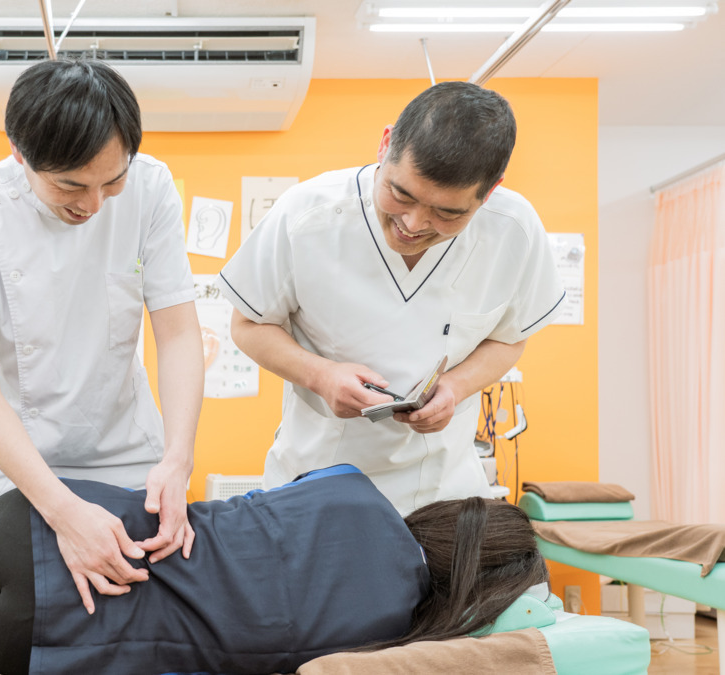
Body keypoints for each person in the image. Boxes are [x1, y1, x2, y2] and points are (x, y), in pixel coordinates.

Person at [0, 466, 547, 675]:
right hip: (46, 638)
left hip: (67, 520)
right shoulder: (383, 638)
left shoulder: (355, 490)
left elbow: (280, 497)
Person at [0, 58, 204, 613]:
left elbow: (177, 334)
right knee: (3, 614)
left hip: (123, 452)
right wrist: (62, 510)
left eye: (112, 181)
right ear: (19, 153)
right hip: (10, 467)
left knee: (133, 613)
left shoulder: (152, 187)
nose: (93, 204)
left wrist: (178, 459)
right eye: (69, 185)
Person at [218, 81, 565, 515]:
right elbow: (248, 323)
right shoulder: (307, 215)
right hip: (315, 488)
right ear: (385, 145)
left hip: (444, 494)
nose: (414, 223)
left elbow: (510, 337)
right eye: (401, 194)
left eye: (448, 213)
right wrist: (321, 376)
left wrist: (455, 387)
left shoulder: (513, 230)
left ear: (489, 192)